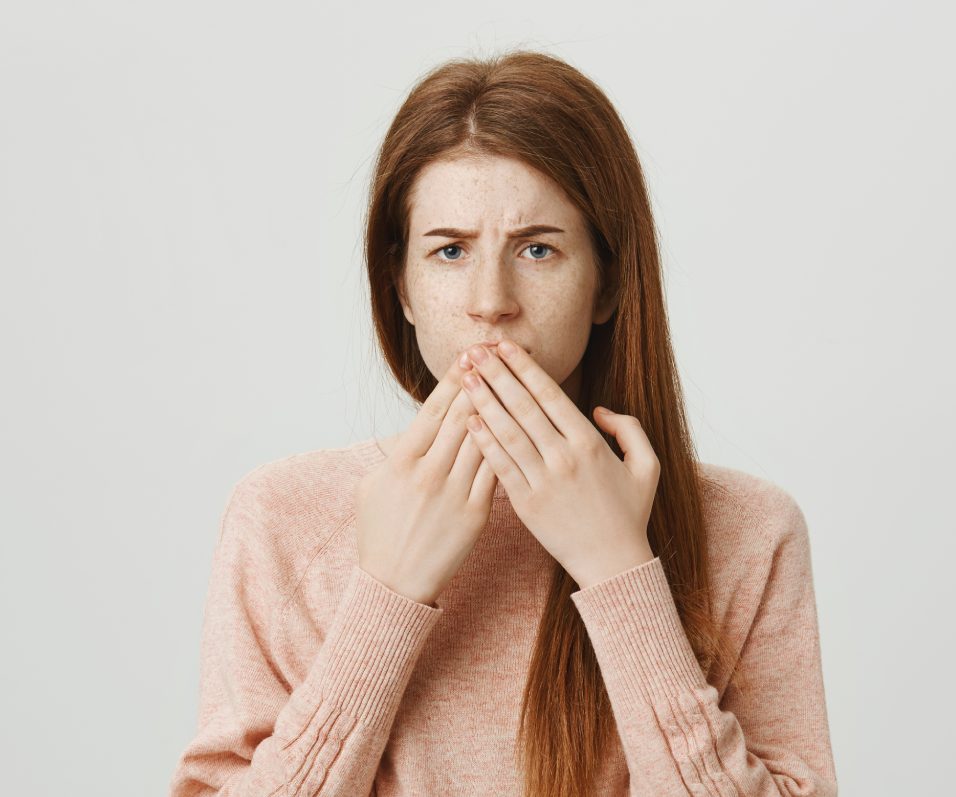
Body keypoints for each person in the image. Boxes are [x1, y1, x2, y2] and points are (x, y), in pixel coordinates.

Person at [169, 49, 837, 797]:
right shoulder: (280, 516)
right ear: (402, 287)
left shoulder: (750, 531)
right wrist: (385, 595)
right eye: (450, 250)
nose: (491, 301)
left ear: (607, 283)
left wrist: (620, 572)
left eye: (538, 249)